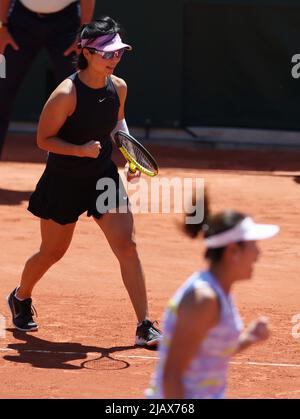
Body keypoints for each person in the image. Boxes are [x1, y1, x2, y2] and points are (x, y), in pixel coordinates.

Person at [7, 16, 162, 348]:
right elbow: (44, 140)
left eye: (118, 52)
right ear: (87, 52)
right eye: (107, 53)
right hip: (63, 181)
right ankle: (21, 296)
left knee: (127, 246)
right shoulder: (65, 94)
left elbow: (118, 124)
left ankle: (144, 325)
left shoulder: (118, 86)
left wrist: (131, 157)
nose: (114, 59)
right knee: (52, 252)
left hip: (102, 177)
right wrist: (78, 150)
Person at [146, 192, 279, 398]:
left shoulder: (218, 291)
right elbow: (171, 375)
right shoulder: (203, 299)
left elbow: (209, 353)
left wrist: (249, 339)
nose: (258, 254)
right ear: (233, 251)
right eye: (254, 245)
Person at [0, 0, 95, 158]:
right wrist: (2, 26)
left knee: (78, 93)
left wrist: (83, 33)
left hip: (67, 24)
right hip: (19, 21)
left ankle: (80, 167)